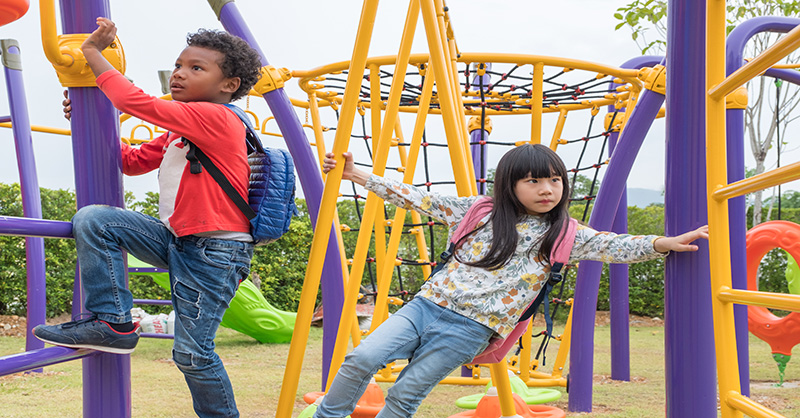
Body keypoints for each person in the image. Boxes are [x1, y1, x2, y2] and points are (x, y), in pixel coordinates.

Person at [315, 144, 709, 418]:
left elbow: (614, 245)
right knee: (360, 359)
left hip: (471, 330)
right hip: (426, 307)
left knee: (404, 394)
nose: (547, 189)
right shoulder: (479, 211)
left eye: (555, 181)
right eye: (534, 181)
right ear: (511, 184)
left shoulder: (566, 234)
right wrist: (356, 174)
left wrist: (662, 243)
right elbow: (417, 198)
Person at [33, 17, 263, 418]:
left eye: (196, 68)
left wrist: (92, 56)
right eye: (178, 65)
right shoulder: (182, 130)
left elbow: (135, 103)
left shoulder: (218, 118)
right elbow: (129, 161)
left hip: (216, 252)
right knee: (97, 219)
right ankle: (114, 322)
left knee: (192, 354)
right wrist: (86, 119)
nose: (179, 74)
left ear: (229, 85)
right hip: (180, 238)